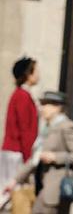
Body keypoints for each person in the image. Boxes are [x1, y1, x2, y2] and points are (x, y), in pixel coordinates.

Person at [3, 91, 73, 214]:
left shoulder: (67, 126)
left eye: (46, 104)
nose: (42, 108)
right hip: (42, 185)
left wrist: (55, 157)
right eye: (42, 104)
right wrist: (15, 180)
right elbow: (34, 159)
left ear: (57, 107)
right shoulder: (46, 129)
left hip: (57, 187)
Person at [1, 57, 39, 195]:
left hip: (16, 151)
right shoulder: (22, 96)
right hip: (17, 152)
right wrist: (29, 158)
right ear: (28, 74)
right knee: (11, 194)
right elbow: (24, 129)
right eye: (36, 71)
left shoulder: (22, 94)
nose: (38, 75)